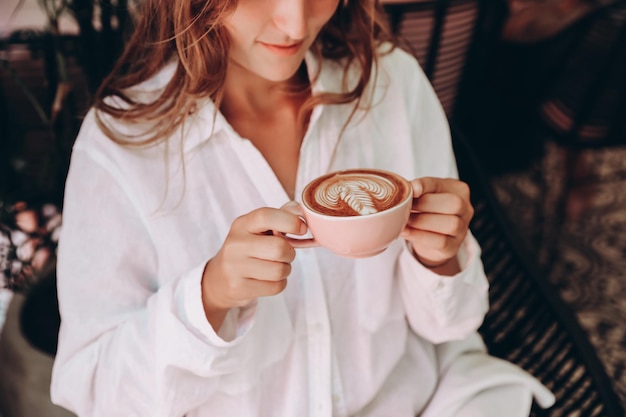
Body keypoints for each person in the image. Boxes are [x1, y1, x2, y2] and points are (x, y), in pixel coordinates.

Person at [50, 0, 555, 415]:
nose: (295, 23)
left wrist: (441, 256)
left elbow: (452, 324)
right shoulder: (120, 147)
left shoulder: (391, 84)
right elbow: (95, 390)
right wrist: (209, 297)